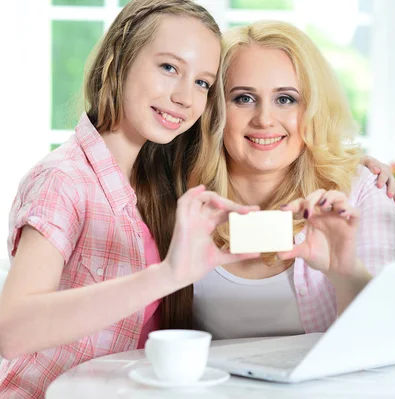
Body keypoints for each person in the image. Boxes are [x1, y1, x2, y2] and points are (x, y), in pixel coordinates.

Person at [0, 1, 258, 397]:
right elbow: (12, 331)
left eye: (202, 83)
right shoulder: (63, 179)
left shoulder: (163, 182)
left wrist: (358, 166)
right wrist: (167, 275)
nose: (185, 98)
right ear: (120, 58)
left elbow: (263, 154)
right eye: (169, 68)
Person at [135, 20, 395, 339]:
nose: (264, 119)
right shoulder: (174, 193)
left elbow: (387, 337)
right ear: (216, 110)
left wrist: (343, 272)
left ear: (313, 110)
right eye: (244, 98)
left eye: (286, 99)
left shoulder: (361, 191)